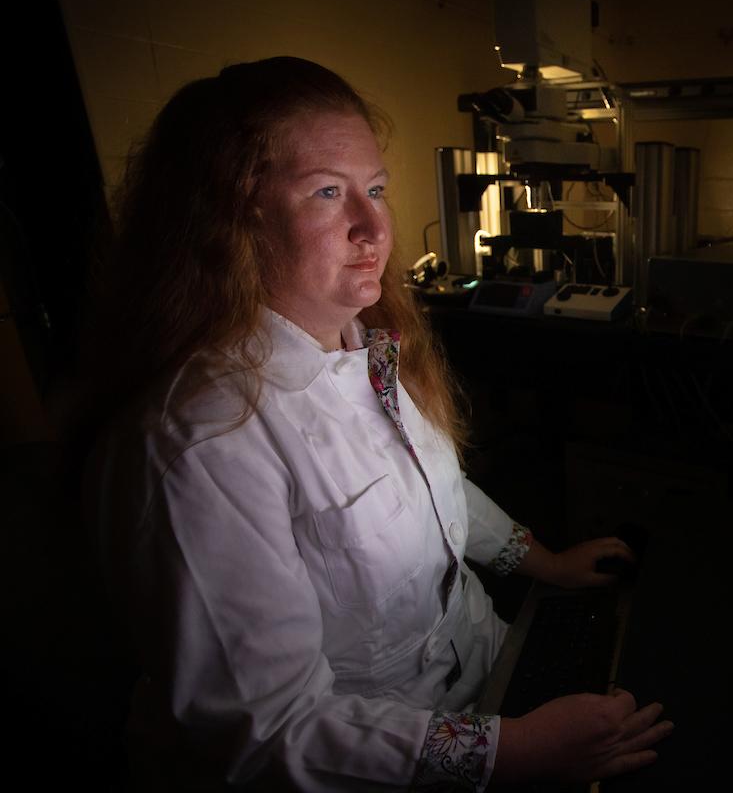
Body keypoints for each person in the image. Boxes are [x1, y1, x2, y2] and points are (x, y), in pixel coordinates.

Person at [88, 56, 672, 791]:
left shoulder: (364, 344)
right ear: (230, 222)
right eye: (328, 193)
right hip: (375, 759)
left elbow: (431, 488)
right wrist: (510, 753)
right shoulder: (202, 444)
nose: (372, 225)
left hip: (484, 669)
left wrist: (543, 561)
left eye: (375, 189)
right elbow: (268, 732)